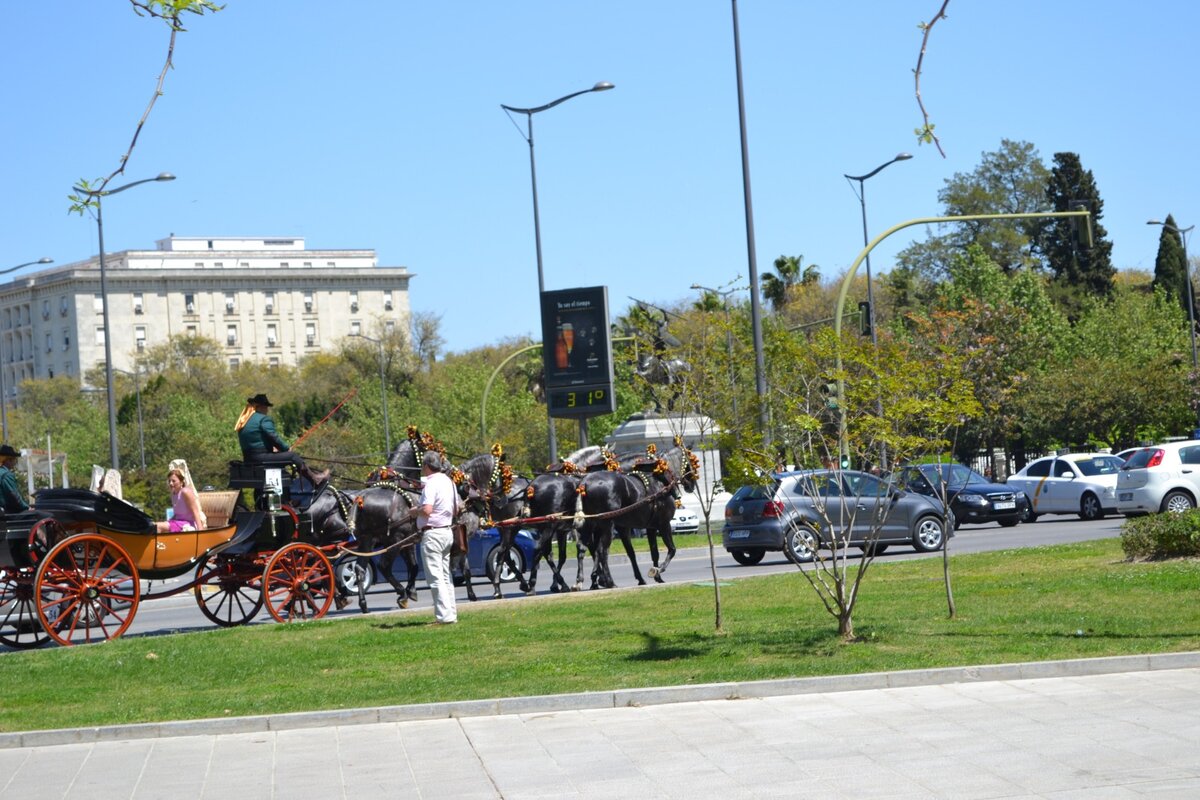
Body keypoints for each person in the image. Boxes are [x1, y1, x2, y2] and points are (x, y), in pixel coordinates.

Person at [235, 393, 329, 485]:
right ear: (261, 407)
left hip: (249, 459)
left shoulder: (245, 421)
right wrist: (286, 449)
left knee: (287, 456)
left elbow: (257, 440)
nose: (267, 410)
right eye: (266, 407)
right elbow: (273, 437)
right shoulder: (263, 419)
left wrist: (273, 449)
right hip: (260, 458)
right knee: (292, 456)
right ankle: (314, 479)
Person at [414, 449, 458, 625]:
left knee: (435, 578)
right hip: (447, 531)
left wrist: (413, 511)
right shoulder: (449, 482)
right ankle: (451, 614)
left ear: (426, 466)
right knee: (446, 577)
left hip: (433, 533)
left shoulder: (431, 484)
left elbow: (427, 510)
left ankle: (444, 617)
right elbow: (456, 509)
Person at [156, 467, 207, 532]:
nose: (171, 483)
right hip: (177, 522)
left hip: (187, 524)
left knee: (158, 526)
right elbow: (177, 515)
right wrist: (167, 521)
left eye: (173, 481)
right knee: (154, 525)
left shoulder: (185, 492)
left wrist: (200, 530)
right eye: (169, 481)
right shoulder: (173, 494)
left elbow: (195, 511)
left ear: (181, 482)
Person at [0, 444, 31, 514]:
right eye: (14, 460)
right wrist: (27, 507)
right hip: (7, 513)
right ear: (8, 460)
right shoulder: (6, 475)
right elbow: (14, 496)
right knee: (45, 515)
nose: (15, 463)